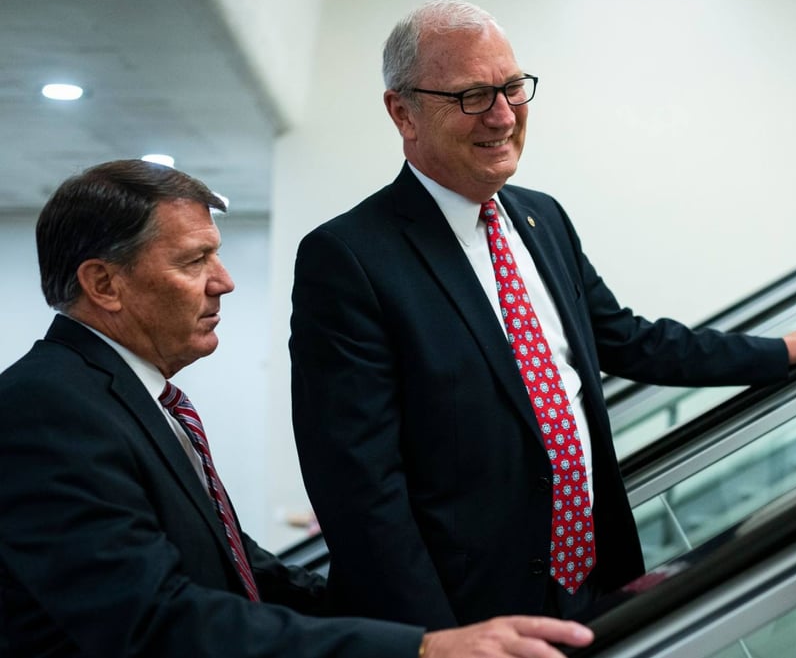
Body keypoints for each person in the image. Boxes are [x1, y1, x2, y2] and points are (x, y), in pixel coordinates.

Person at [289, 0, 796, 631]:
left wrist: (776, 353)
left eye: (512, 87)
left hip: (595, 586)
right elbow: (359, 490)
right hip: (472, 618)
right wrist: (437, 642)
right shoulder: (349, 258)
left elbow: (628, 340)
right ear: (402, 112)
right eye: (472, 96)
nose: (503, 115)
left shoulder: (542, 219)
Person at [0, 159, 594, 658]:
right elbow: (152, 619)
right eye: (194, 261)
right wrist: (419, 648)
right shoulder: (45, 410)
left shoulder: (129, 398)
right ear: (104, 284)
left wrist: (418, 619)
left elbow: (237, 566)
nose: (224, 282)